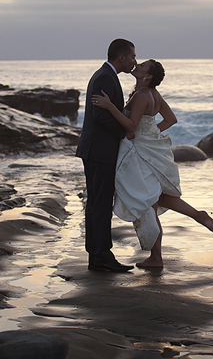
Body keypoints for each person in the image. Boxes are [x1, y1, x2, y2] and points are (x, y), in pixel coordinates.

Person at [92, 59, 213, 269]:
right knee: (159, 198)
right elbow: (170, 119)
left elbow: (131, 125)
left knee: (148, 202)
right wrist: (150, 134)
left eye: (142, 65)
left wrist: (110, 107)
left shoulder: (142, 95)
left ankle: (156, 257)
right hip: (149, 147)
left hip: (140, 152)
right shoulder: (154, 94)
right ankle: (197, 215)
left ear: (148, 76)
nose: (137, 65)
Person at [75, 39, 137, 272]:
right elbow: (101, 116)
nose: (134, 61)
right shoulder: (105, 77)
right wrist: (124, 131)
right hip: (99, 150)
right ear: (121, 57)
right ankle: (101, 256)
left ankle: (96, 255)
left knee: (96, 203)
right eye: (132, 56)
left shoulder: (104, 75)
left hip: (94, 148)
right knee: (100, 204)